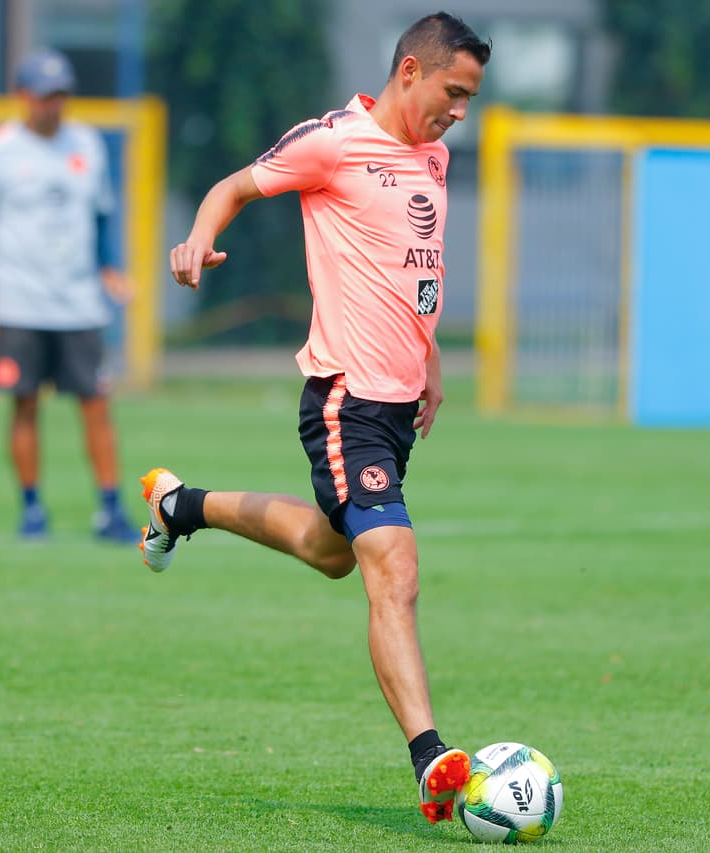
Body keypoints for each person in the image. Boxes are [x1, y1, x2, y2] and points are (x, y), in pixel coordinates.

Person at [143, 12, 491, 825]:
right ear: (411, 71)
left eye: (470, 99)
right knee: (393, 566)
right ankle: (430, 756)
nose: (459, 112)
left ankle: (180, 505)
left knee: (330, 550)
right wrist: (197, 239)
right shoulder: (332, 142)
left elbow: (418, 269)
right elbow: (233, 187)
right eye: (453, 92)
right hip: (345, 399)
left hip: (396, 405)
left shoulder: (433, 157)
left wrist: (431, 359)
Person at [0, 48, 141, 544]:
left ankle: (110, 508)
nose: (52, 105)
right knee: (24, 404)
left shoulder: (87, 144)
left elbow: (101, 214)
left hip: (78, 300)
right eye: (44, 96)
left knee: (96, 403)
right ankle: (32, 508)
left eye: (60, 95)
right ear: (22, 96)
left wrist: (109, 267)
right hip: (19, 300)